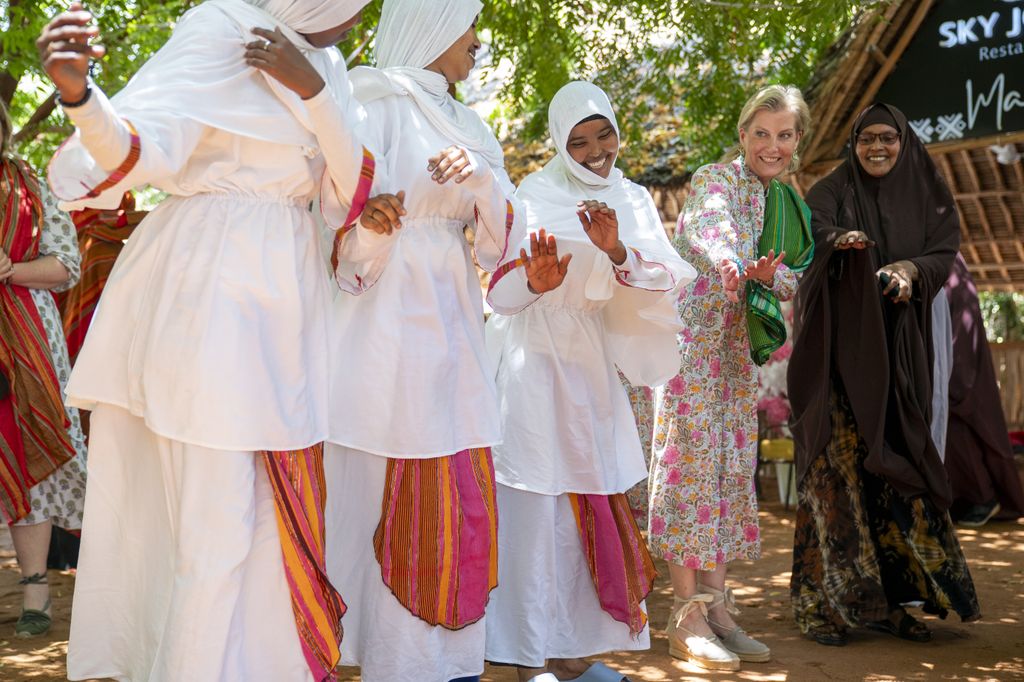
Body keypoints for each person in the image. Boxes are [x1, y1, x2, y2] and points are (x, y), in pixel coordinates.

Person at [38, 0, 375, 679]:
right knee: (213, 527)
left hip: (285, 305)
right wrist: (80, 97)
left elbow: (352, 187)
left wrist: (311, 89)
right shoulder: (220, 28)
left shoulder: (329, 69)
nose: (354, 22)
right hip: (209, 297)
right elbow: (138, 145)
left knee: (260, 520)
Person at [319, 1, 537, 680]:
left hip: (450, 315)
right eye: (467, 24)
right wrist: (380, 227)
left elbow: (502, 239)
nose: (477, 40)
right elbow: (333, 227)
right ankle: (369, 650)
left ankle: (442, 657)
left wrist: (481, 179)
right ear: (433, 27)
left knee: (450, 472)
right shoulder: (368, 104)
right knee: (376, 475)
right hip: (381, 319)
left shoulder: (469, 121)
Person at [483, 81, 696, 682]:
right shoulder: (535, 192)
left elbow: (666, 277)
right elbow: (500, 293)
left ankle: (573, 654)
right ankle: (529, 660)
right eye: (578, 141)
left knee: (585, 513)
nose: (596, 149)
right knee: (533, 513)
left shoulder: (632, 197)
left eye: (603, 134)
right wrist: (536, 283)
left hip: (590, 370)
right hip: (530, 366)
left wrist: (619, 250)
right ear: (558, 143)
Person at [789, 103, 980, 648]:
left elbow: (943, 252)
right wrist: (837, 243)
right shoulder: (829, 189)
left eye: (888, 138)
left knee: (893, 473)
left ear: (903, 142)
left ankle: (889, 605)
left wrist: (911, 270)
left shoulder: (927, 192)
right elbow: (808, 238)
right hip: (834, 366)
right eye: (868, 137)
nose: (878, 147)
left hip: (897, 361)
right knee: (832, 476)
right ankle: (820, 605)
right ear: (853, 141)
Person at [650, 84, 814, 671]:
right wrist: (732, 265)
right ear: (743, 135)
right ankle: (684, 617)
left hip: (738, 358)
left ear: (797, 141)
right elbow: (705, 229)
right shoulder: (714, 180)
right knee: (690, 470)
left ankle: (717, 610)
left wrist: (769, 278)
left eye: (785, 135)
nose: (773, 146)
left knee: (724, 474)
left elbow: (795, 275)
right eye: (762, 133)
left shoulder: (789, 205)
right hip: (694, 350)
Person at [0, 99, 88, 638]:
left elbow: (67, 265)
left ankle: (35, 593)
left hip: (26, 343)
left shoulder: (26, 183)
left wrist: (10, 269)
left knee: (29, 453)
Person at [943, 253, 1024, 525]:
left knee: (961, 425)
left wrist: (951, 374)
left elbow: (961, 326)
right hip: (947, 360)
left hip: (959, 362)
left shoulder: (951, 265)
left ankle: (982, 497)